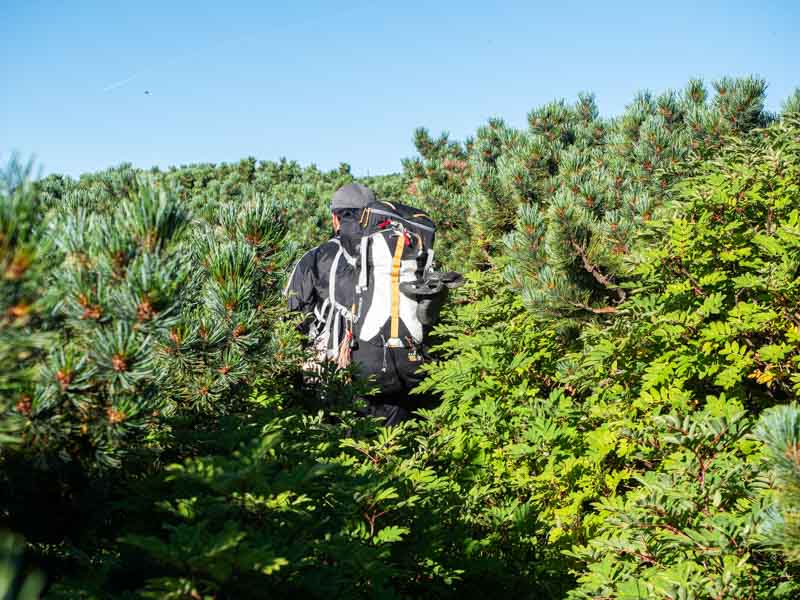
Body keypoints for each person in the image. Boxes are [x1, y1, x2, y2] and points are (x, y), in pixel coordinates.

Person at [284, 183, 418, 426]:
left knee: (337, 454)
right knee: (392, 451)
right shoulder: (399, 253)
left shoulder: (315, 258)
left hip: (336, 379)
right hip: (395, 373)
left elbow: (291, 319)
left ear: (336, 218)